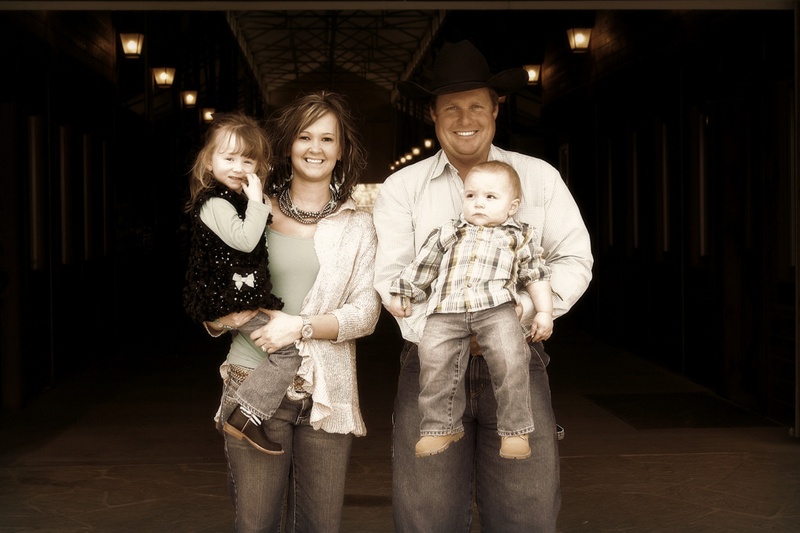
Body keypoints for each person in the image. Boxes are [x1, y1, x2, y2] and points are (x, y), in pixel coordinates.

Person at [373, 40, 593, 531]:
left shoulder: (538, 178)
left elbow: (574, 258)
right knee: (426, 515)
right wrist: (450, 323)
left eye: (476, 104)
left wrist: (519, 310)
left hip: (517, 358)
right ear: (432, 114)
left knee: (526, 513)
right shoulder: (402, 189)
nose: (464, 117)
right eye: (450, 107)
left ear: (496, 107)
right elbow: (392, 276)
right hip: (429, 364)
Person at [205, 90, 381, 532]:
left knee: (320, 526)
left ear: (341, 151)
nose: (315, 149)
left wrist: (298, 328)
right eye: (305, 137)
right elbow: (211, 291)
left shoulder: (357, 225)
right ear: (288, 145)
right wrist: (228, 318)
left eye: (327, 139)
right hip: (251, 381)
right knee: (257, 524)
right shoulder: (250, 212)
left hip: (326, 391)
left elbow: (366, 313)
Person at [387, 160, 553, 461]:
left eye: (491, 197)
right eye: (471, 196)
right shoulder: (449, 232)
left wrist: (543, 312)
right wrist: (404, 292)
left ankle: (515, 430)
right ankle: (440, 426)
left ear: (512, 206)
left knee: (511, 358)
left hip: (496, 307)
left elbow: (536, 276)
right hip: (446, 309)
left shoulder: (519, 236)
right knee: (433, 360)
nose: (479, 203)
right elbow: (423, 267)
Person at [183, 111, 291, 456]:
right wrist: (260, 200)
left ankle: (241, 414)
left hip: (240, 296)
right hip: (225, 299)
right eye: (228, 158)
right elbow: (245, 241)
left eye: (248, 159)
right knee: (289, 352)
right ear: (208, 161)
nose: (238, 167)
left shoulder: (235, 201)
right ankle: (245, 416)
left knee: (282, 348)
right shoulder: (213, 202)